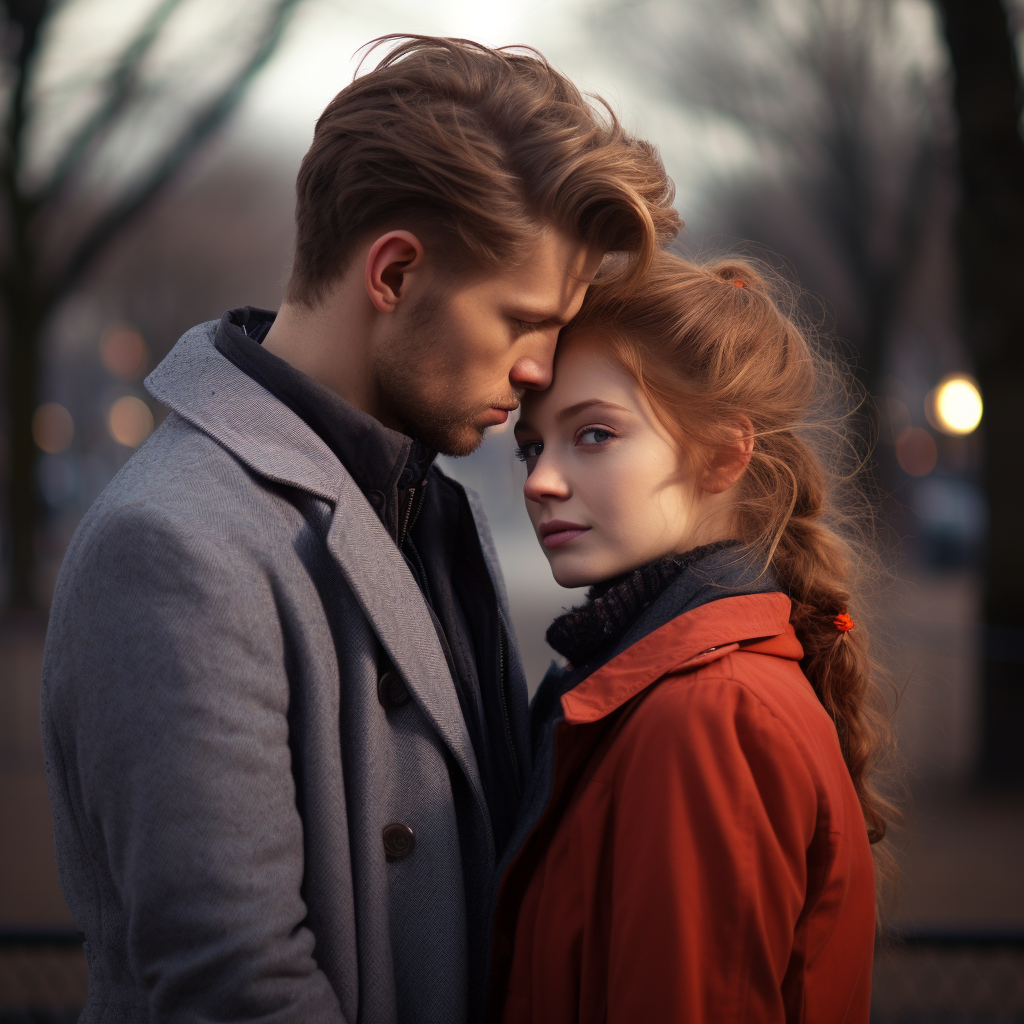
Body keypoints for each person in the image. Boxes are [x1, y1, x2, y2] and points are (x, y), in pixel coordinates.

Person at [40, 36, 679, 1023]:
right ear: (392, 273)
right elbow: (236, 991)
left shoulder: (424, 504)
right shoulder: (171, 544)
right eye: (519, 320)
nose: (540, 369)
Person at [487, 251, 894, 1023]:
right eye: (533, 445)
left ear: (723, 454)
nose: (540, 480)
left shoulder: (710, 716)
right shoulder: (661, 688)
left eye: (595, 435)